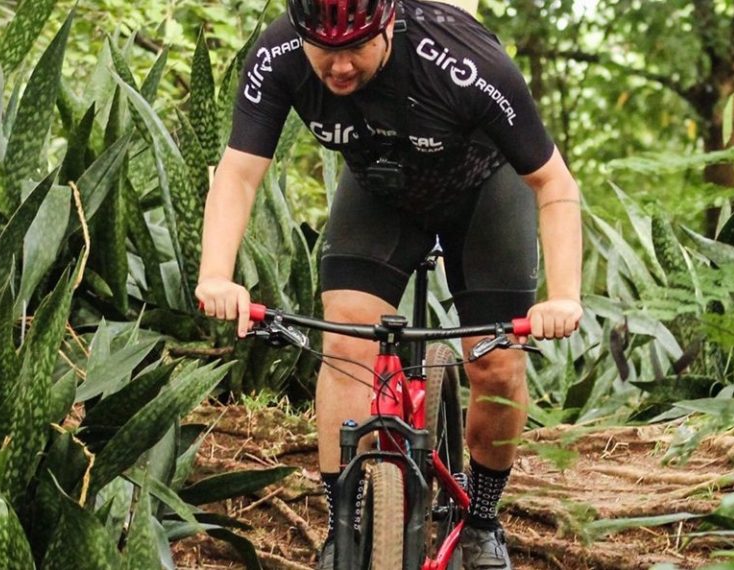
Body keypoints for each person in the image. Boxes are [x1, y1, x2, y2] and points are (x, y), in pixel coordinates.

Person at [195, 0, 583, 567]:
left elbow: (553, 183)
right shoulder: (278, 55)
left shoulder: (461, 60)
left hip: (483, 190)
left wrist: (565, 294)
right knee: (348, 342)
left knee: (496, 363)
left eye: (356, 47)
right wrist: (215, 274)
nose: (340, 66)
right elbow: (238, 173)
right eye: (324, 50)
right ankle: (343, 530)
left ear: (388, 25)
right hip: (381, 192)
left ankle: (481, 517)